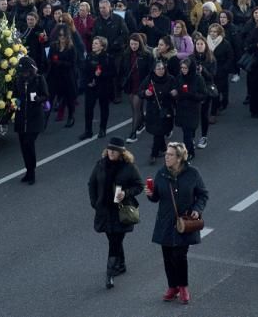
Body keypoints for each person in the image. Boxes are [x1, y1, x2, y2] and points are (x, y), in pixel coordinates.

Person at [145, 141, 208, 305]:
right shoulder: (161, 173)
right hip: (165, 222)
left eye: (170, 154)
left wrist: (197, 209)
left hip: (184, 222)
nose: (166, 157)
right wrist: (150, 194)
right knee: (167, 256)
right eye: (166, 154)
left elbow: (203, 194)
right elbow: (156, 198)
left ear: (179, 158)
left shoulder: (193, 173)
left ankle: (183, 287)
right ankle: (172, 287)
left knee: (179, 255)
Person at [88, 136, 143, 288]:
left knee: (115, 241)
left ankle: (109, 274)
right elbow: (91, 183)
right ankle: (121, 264)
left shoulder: (129, 167)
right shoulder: (100, 165)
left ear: (121, 153)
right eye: (109, 149)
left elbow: (139, 185)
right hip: (104, 209)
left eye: (114, 151)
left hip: (121, 210)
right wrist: (94, 203)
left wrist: (125, 193)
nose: (111, 152)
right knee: (113, 239)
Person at [14, 56, 49, 185]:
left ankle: (32, 171)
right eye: (22, 72)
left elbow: (46, 95)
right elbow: (15, 95)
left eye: (26, 71)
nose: (24, 74)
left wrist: (37, 99)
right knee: (23, 146)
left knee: (29, 144)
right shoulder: (18, 81)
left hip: (34, 118)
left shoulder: (39, 80)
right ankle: (27, 171)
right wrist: (14, 102)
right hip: (21, 118)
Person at [142, 61, 177, 165]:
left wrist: (175, 93)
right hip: (153, 110)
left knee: (160, 131)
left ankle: (155, 152)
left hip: (166, 108)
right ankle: (157, 151)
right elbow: (141, 91)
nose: (161, 71)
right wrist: (146, 93)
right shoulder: (149, 79)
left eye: (162, 68)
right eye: (158, 69)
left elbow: (176, 90)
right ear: (154, 70)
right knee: (158, 132)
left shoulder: (170, 79)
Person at [121, 34, 154, 143]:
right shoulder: (126, 54)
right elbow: (123, 69)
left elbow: (151, 72)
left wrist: (148, 85)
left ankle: (133, 133)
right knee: (136, 108)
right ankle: (142, 122)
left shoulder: (147, 55)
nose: (133, 46)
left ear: (140, 44)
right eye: (131, 44)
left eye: (135, 44)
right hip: (131, 84)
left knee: (136, 108)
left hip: (141, 85)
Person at [80, 36, 115, 140]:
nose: (93, 45)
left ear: (102, 46)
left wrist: (101, 74)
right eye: (93, 43)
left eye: (96, 43)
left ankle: (102, 129)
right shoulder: (90, 56)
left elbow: (113, 73)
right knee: (88, 109)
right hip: (91, 87)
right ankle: (88, 131)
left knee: (104, 108)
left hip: (103, 87)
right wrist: (88, 82)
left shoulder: (108, 57)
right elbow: (85, 71)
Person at [174, 59, 206, 160]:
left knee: (189, 130)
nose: (183, 70)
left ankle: (189, 151)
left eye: (185, 68)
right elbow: (176, 89)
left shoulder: (198, 78)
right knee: (186, 132)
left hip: (193, 108)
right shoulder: (179, 78)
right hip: (182, 107)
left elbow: (203, 94)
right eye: (182, 68)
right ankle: (189, 151)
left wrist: (191, 95)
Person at [49, 28, 78, 128]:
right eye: (60, 35)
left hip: (67, 76)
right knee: (50, 97)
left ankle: (71, 116)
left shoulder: (71, 48)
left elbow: (73, 63)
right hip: (55, 75)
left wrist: (60, 63)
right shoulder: (54, 46)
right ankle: (45, 118)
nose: (62, 37)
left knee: (69, 98)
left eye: (64, 35)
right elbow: (49, 58)